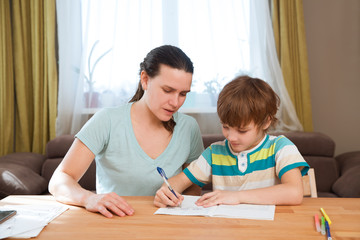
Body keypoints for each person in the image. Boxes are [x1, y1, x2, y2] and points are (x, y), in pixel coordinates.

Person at [49, 45, 204, 218]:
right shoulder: (106, 120)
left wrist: (176, 197)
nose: (175, 102)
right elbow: (59, 180)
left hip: (168, 226)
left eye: (183, 94)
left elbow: (194, 185)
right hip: (114, 225)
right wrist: (88, 198)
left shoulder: (189, 127)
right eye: (167, 90)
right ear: (145, 79)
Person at [154, 75, 310, 208]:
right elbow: (180, 181)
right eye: (226, 127)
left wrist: (237, 196)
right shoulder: (214, 153)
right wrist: (167, 191)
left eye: (242, 130)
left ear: (266, 122)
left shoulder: (281, 148)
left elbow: (294, 193)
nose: (231, 137)